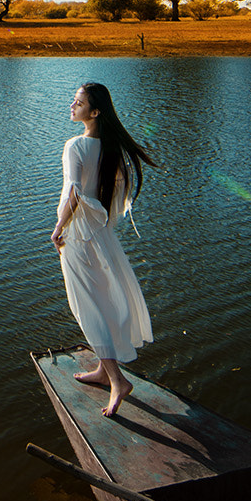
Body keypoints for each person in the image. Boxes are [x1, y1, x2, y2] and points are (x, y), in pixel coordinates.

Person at [51, 81, 159, 416]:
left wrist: (57, 230)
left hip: (80, 237)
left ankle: (116, 380)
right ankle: (104, 369)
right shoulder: (113, 150)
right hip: (102, 237)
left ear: (94, 112)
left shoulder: (76, 146)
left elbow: (72, 193)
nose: (72, 105)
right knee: (102, 300)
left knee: (86, 306)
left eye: (78, 102)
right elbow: (114, 200)